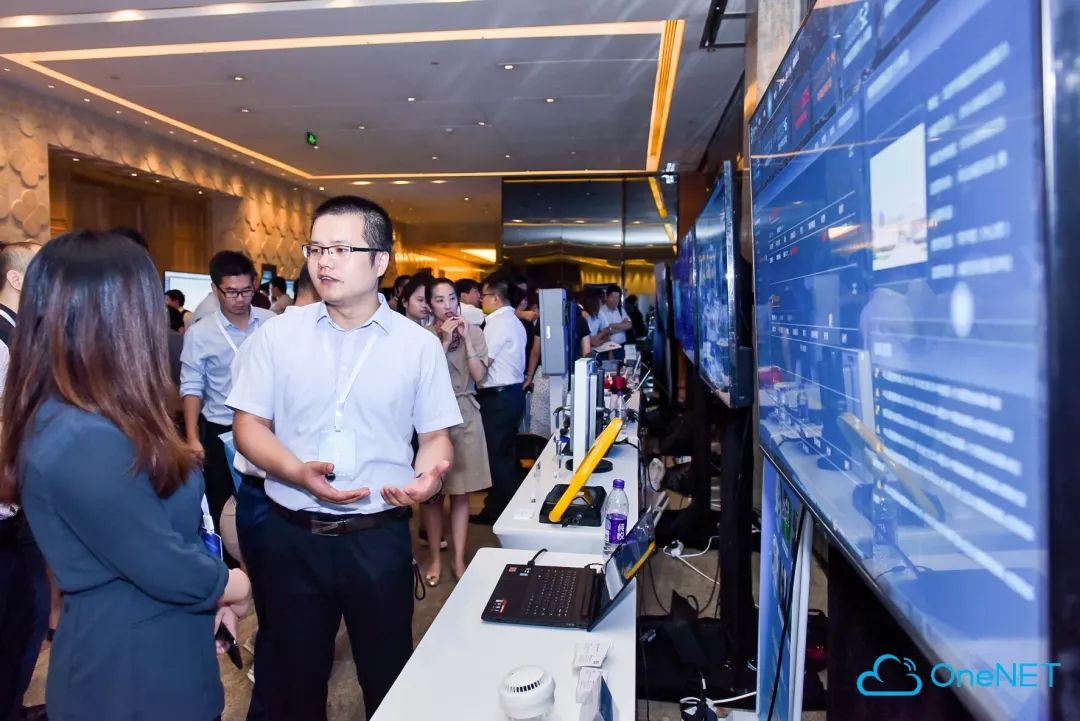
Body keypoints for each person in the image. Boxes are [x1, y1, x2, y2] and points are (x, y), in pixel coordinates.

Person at [0, 229, 251, 721]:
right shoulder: (81, 436)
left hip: (155, 650)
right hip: (131, 675)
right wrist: (232, 583)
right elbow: (159, 561)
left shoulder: (89, 415)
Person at [227, 196, 460, 721]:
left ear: (380, 261)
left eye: (340, 249)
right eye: (315, 249)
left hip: (376, 537)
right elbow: (248, 427)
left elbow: (436, 438)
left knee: (388, 678)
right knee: (292, 683)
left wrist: (428, 479)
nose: (323, 262)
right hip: (290, 536)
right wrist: (296, 472)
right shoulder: (278, 335)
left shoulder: (417, 346)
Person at [180, 251, 274, 543]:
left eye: (246, 290)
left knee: (269, 504)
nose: (240, 299)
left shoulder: (271, 323)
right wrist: (192, 437)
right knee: (222, 505)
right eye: (231, 292)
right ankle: (228, 567)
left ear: (255, 283)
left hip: (267, 428)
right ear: (215, 289)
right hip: (222, 431)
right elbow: (192, 387)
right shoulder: (201, 333)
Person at [0, 242, 48, 721]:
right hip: (7, 511)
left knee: (24, 621)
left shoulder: (22, 335)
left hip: (21, 511)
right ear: (16, 280)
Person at [420, 279, 492, 585]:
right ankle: (436, 559)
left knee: (462, 494)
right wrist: (444, 340)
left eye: (451, 298)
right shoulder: (423, 337)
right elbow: (422, 378)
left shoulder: (474, 331)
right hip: (433, 419)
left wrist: (467, 341)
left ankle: (459, 560)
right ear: (429, 305)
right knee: (433, 495)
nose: (448, 305)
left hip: (466, 414)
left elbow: (480, 376)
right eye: (439, 300)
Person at [470, 272, 527, 525]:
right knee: (501, 454)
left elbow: (484, 362)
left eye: (483, 296)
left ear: (495, 298)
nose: (480, 300)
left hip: (499, 397)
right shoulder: (511, 321)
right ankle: (495, 507)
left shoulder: (499, 324)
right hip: (510, 394)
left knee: (497, 456)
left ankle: (509, 511)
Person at [598, 284, 632, 360]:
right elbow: (604, 332)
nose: (615, 300)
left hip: (621, 347)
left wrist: (613, 325)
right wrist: (622, 325)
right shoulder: (601, 311)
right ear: (607, 297)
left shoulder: (620, 310)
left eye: (617, 297)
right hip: (607, 350)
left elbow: (629, 325)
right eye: (612, 297)